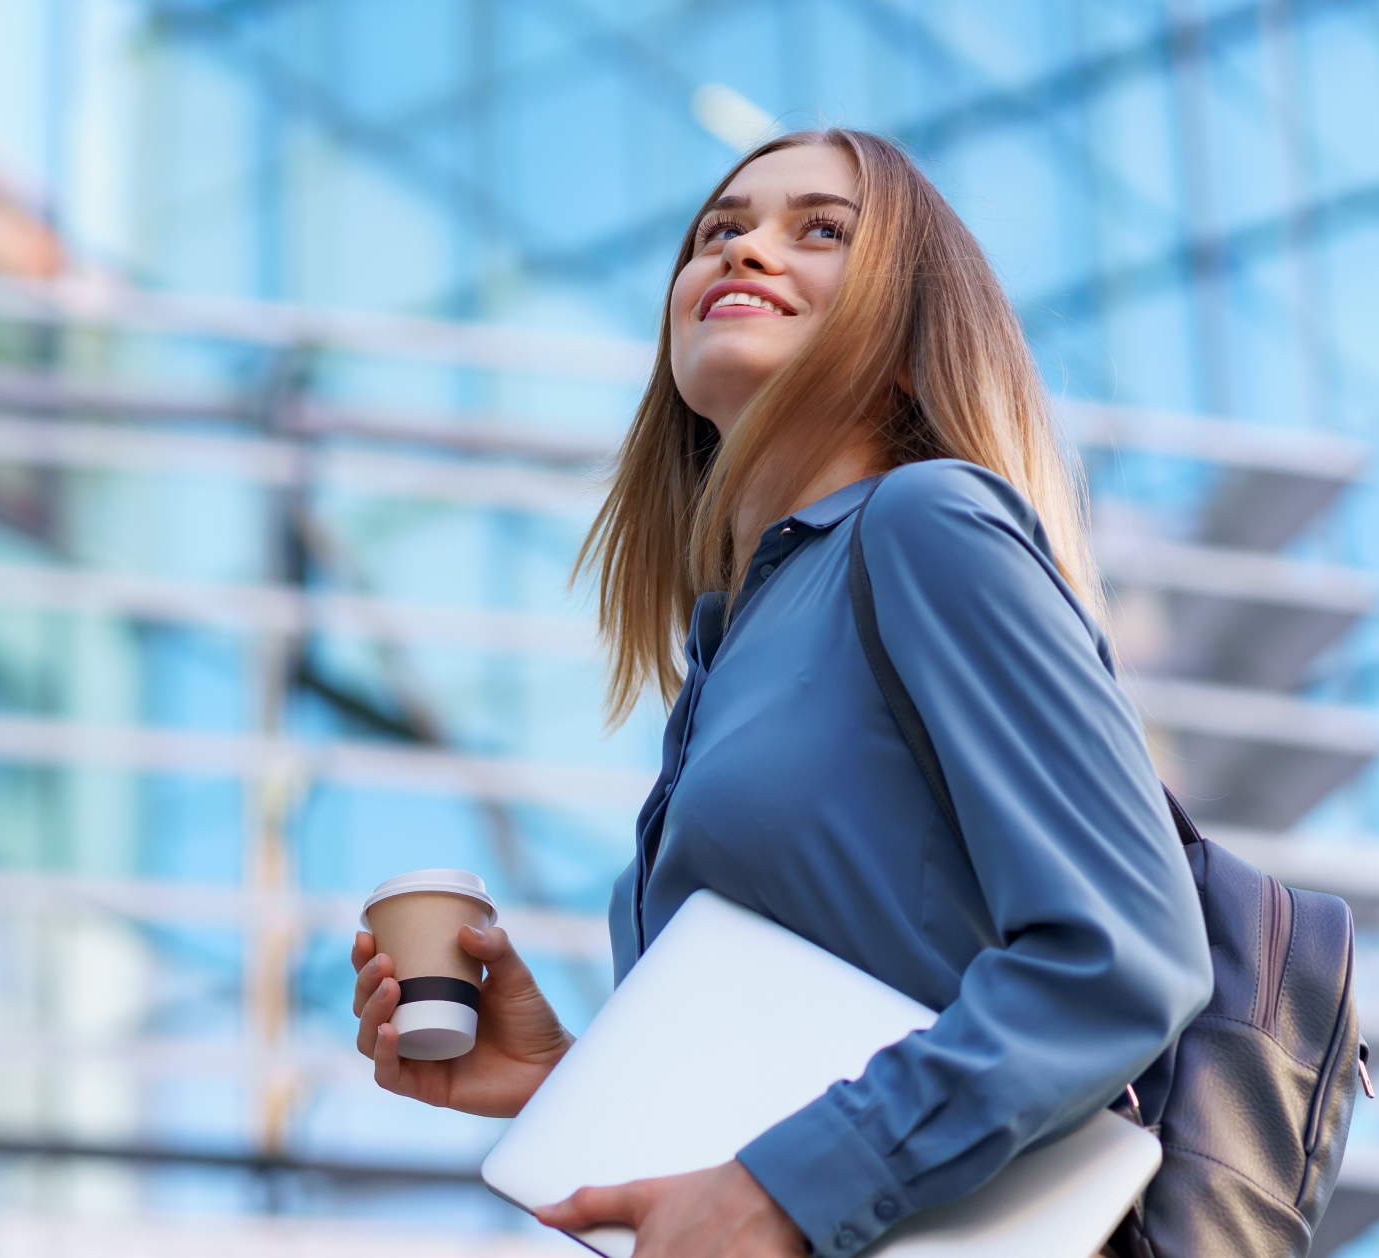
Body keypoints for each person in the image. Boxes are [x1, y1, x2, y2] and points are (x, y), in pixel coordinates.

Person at [350, 129, 1214, 1258]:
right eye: (719, 231)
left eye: (819, 230)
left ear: (909, 340)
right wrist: (564, 1078)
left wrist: (783, 1188)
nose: (745, 249)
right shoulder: (723, 660)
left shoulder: (928, 524)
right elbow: (827, 1029)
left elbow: (1122, 960)